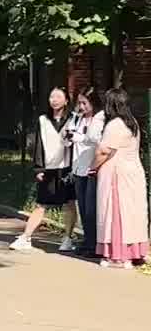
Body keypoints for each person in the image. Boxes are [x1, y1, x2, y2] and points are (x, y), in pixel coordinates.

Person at [11, 86, 77, 252]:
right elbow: (38, 145)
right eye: (51, 97)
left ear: (66, 100)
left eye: (58, 96)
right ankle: (26, 237)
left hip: (67, 166)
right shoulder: (43, 120)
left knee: (69, 203)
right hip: (48, 168)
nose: (54, 100)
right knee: (41, 204)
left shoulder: (74, 119)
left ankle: (67, 238)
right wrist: (39, 168)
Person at [94, 88, 149, 269]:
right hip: (133, 171)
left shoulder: (114, 125)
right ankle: (135, 252)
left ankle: (117, 255)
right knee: (133, 213)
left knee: (116, 212)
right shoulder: (132, 122)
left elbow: (104, 151)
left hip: (117, 175)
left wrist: (92, 167)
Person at [70, 88, 105, 259]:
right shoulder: (78, 119)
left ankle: (94, 244)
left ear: (94, 102)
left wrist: (80, 138)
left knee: (92, 209)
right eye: (80, 103)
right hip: (78, 167)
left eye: (85, 103)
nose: (81, 106)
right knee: (83, 208)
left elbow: (98, 140)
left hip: (93, 167)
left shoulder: (100, 118)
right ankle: (87, 241)